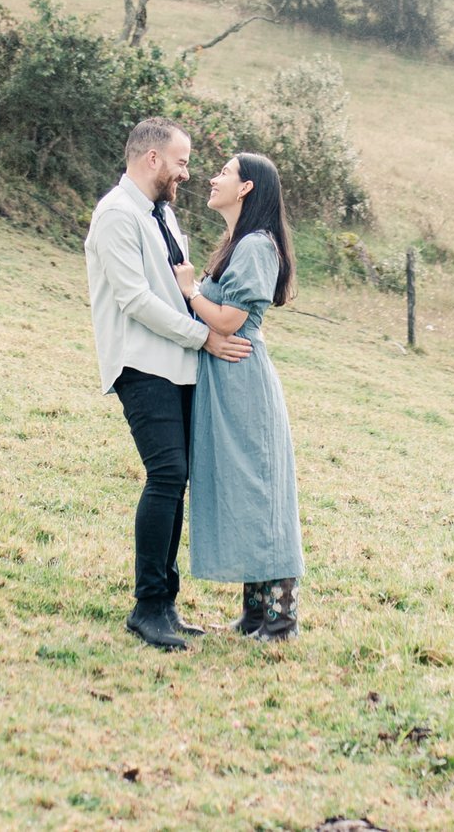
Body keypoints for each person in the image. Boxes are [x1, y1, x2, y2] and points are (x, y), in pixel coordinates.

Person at [84, 117, 252, 651]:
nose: (186, 173)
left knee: (174, 480)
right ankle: (147, 606)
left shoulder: (163, 215)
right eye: (180, 162)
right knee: (166, 474)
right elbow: (135, 300)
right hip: (141, 363)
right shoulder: (115, 215)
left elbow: (179, 286)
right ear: (152, 158)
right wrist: (203, 337)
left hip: (176, 363)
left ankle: (166, 604)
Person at [177, 151, 305, 640]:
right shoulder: (238, 243)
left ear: (247, 188)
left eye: (224, 173)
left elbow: (229, 320)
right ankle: (256, 612)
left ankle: (280, 617)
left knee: (261, 488)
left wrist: (190, 292)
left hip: (243, 378)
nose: (213, 178)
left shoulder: (256, 245)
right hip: (224, 378)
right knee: (244, 488)